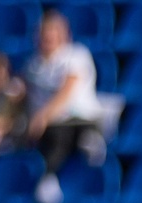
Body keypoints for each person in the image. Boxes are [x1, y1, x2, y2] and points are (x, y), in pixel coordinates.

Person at [20, 8, 104, 173]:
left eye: (53, 32)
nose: (48, 38)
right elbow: (22, 88)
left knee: (60, 134)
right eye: (45, 33)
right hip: (51, 124)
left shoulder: (76, 55)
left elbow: (67, 90)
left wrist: (43, 117)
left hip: (80, 118)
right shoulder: (33, 64)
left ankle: (88, 144)